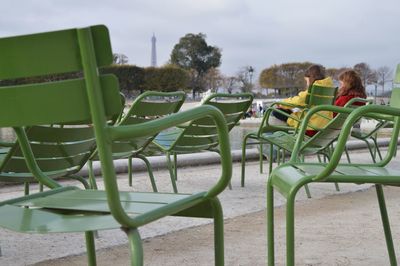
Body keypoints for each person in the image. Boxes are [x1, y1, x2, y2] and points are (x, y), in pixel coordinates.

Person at [271, 64, 334, 129]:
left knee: (276, 111)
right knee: (290, 111)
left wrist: (281, 103)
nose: (307, 83)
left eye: (306, 81)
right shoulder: (330, 88)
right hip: (326, 125)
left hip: (311, 127)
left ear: (311, 78)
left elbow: (299, 100)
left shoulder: (313, 90)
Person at [306, 69, 367, 136]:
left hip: (323, 129)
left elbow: (332, 113)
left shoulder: (346, 99)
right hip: (337, 130)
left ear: (348, 83)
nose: (340, 86)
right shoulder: (360, 99)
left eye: (341, 83)